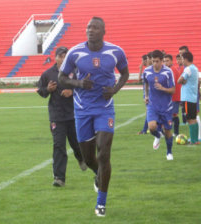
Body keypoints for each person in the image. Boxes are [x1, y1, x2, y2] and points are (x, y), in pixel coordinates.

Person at [58, 17, 129, 217]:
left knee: (104, 153)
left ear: (103, 31)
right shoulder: (75, 52)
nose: (90, 30)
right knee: (89, 158)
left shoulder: (115, 52)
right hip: (81, 110)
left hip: (105, 109)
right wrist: (80, 84)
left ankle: (101, 203)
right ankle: (98, 175)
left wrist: (114, 89)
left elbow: (125, 73)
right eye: (88, 27)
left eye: (95, 27)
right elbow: (61, 78)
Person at [37, 46, 87, 187]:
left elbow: (83, 88)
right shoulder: (48, 74)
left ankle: (81, 157)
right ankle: (59, 178)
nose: (64, 58)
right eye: (61, 56)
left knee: (75, 142)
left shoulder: (75, 73)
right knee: (59, 145)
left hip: (73, 113)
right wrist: (48, 89)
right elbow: (40, 91)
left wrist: (72, 91)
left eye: (66, 56)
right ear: (56, 57)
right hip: (56, 115)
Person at [143, 50, 175, 160]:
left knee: (168, 131)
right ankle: (157, 136)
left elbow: (173, 90)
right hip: (152, 105)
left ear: (162, 61)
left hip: (166, 106)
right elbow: (146, 84)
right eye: (153, 61)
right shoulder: (147, 71)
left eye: (157, 61)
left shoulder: (168, 72)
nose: (155, 64)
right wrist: (146, 96)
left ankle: (169, 152)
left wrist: (163, 88)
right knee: (151, 127)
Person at [178, 51, 199, 144]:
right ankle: (195, 139)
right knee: (194, 118)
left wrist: (183, 81)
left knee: (190, 119)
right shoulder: (195, 68)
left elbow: (180, 80)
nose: (181, 61)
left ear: (186, 59)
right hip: (193, 97)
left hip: (187, 97)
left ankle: (193, 141)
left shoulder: (188, 69)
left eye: (182, 59)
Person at [163, 54, 181, 136]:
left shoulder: (172, 70)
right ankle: (172, 132)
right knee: (171, 115)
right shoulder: (171, 69)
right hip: (173, 96)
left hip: (173, 96)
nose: (165, 63)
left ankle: (175, 133)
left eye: (167, 61)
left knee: (173, 115)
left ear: (171, 61)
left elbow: (170, 84)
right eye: (164, 61)